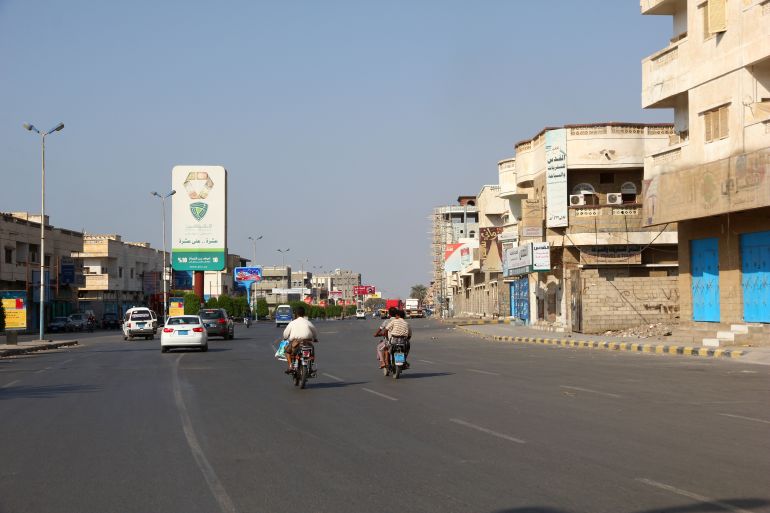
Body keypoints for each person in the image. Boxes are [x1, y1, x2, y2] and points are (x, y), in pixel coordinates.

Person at [283, 305, 318, 374]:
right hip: (307, 343)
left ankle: (290, 366)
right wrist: (315, 338)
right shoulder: (308, 322)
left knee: (287, 352)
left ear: (296, 314)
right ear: (304, 314)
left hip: (295, 343)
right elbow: (315, 332)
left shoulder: (292, 323)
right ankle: (311, 367)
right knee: (312, 352)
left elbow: (285, 334)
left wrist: (285, 338)